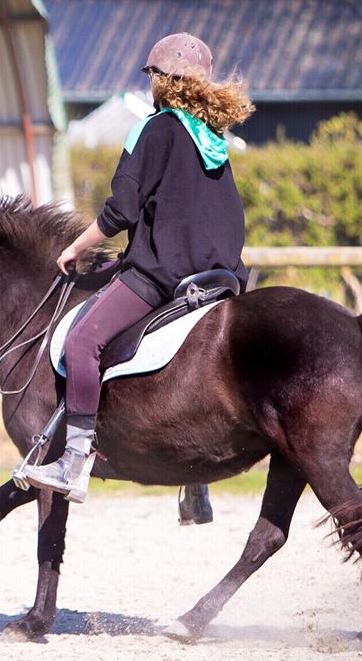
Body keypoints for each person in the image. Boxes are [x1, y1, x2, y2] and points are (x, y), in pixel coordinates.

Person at [24, 32, 254, 515]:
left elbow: (120, 212)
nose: (149, 85)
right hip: (220, 279)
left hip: (163, 277)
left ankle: (71, 460)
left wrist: (75, 247)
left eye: (152, 76)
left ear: (163, 80)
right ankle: (197, 482)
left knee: (81, 341)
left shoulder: (154, 129)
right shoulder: (214, 140)